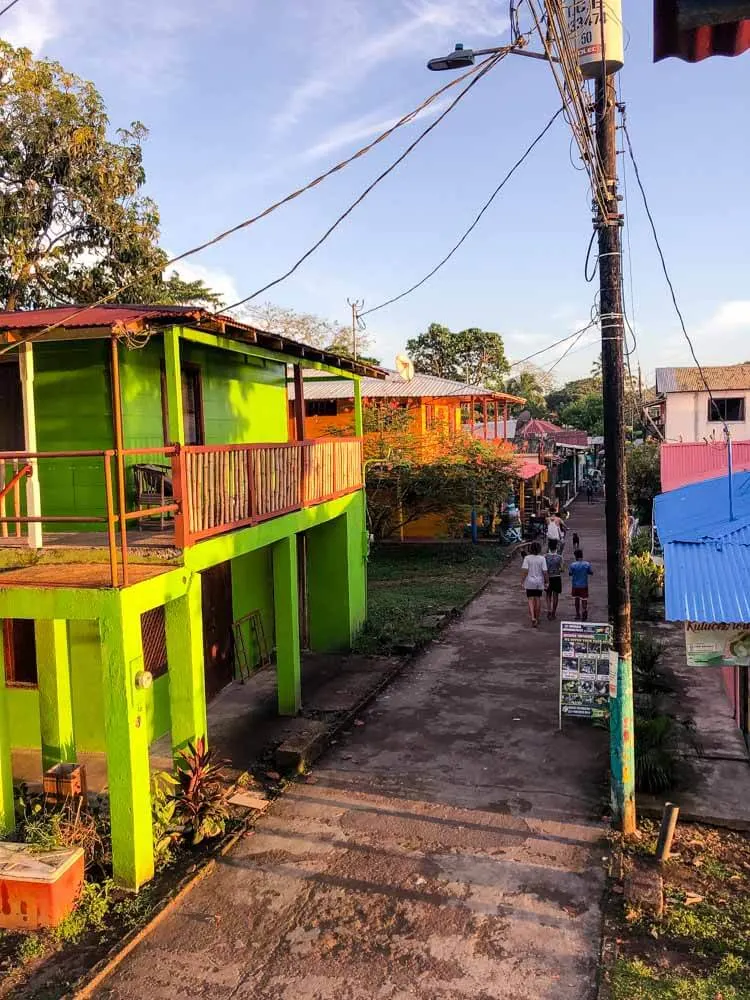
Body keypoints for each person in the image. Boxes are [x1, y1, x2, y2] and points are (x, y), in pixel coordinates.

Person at [521, 541, 548, 627]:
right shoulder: (542, 558)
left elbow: (525, 571)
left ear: (530, 549)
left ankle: (532, 617)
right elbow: (545, 572)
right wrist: (547, 581)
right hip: (539, 582)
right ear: (539, 549)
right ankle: (537, 617)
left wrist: (522, 581)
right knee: (538, 599)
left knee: (530, 600)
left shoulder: (527, 558)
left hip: (529, 582)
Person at [569, 547, 594, 621]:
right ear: (582, 556)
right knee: (584, 599)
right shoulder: (587, 564)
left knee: (576, 599)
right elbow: (591, 572)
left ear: (575, 556)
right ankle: (584, 610)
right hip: (584, 585)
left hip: (575, 585)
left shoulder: (573, 565)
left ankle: (577, 614)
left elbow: (570, 573)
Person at [545, 538, 563, 620]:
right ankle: (553, 613)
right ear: (556, 547)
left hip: (548, 577)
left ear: (549, 547)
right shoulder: (559, 557)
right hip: (557, 577)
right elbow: (562, 569)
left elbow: (544, 569)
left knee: (548, 595)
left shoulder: (545, 557)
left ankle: (548, 610)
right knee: (556, 596)